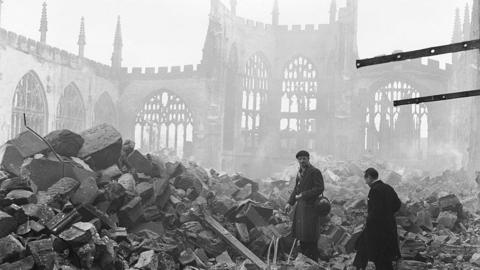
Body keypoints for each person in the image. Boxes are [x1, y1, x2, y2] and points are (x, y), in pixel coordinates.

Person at [358, 168, 401, 270]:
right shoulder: (388, 188)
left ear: (369, 177)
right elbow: (398, 204)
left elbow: (375, 211)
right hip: (390, 226)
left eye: (365, 179)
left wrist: (368, 223)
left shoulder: (374, 190)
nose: (365, 182)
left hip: (378, 229)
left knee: (379, 257)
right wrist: (388, 214)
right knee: (387, 257)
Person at [285, 150, 324, 261]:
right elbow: (296, 190)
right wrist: (289, 203)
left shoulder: (315, 172)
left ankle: (313, 261)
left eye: (304, 158)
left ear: (308, 159)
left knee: (311, 236)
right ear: (298, 160)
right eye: (300, 159)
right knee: (302, 235)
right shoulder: (300, 172)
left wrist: (303, 195)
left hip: (311, 208)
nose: (302, 161)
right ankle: (304, 261)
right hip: (301, 208)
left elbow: (319, 188)